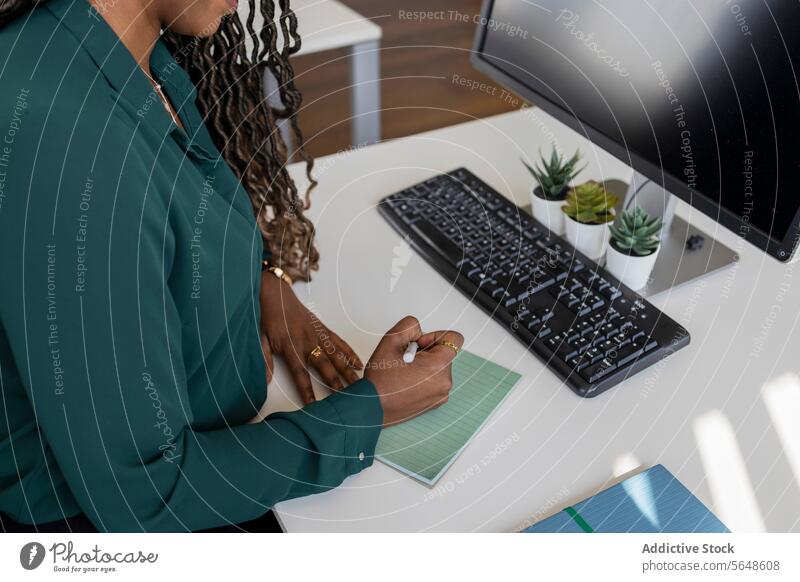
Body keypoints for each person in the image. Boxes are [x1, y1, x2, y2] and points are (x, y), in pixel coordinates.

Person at [0, 0, 463, 532]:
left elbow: (170, 213)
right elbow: (145, 496)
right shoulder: (70, 145)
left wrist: (254, 277)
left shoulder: (127, 52)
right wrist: (372, 408)